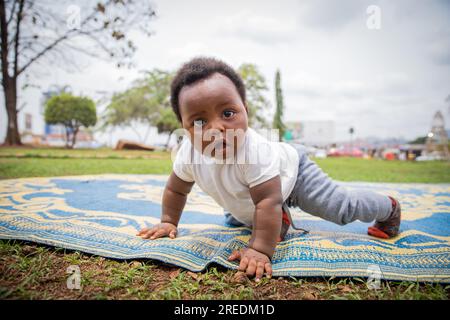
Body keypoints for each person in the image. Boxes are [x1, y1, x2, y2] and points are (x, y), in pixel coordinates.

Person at [137, 57, 401, 281]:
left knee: (340, 208)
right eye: (200, 121)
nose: (216, 128)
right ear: (184, 127)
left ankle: (388, 207)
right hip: (257, 192)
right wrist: (168, 221)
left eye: (228, 114)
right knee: (239, 217)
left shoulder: (255, 151)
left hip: (293, 175)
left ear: (245, 111)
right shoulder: (188, 154)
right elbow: (176, 189)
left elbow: (266, 199)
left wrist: (261, 250)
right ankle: (279, 219)